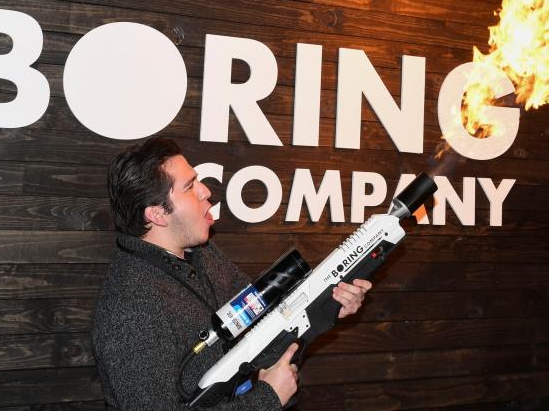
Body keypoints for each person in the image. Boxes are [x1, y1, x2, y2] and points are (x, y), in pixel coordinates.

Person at [92, 137, 371, 410]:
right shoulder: (128, 305)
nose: (205, 192)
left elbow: (268, 323)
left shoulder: (202, 254)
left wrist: (326, 306)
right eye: (189, 187)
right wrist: (267, 398)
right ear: (157, 214)